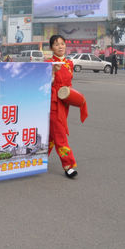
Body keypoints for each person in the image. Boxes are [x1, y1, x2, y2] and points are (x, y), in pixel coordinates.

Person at [47, 34, 79, 179]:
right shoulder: (48, 63)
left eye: (62, 44)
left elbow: (69, 83)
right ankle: (68, 165)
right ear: (51, 48)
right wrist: (53, 73)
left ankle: (37, 159)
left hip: (64, 102)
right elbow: (44, 84)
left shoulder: (69, 63)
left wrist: (72, 96)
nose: (60, 46)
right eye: (56, 44)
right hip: (53, 102)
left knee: (51, 135)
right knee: (59, 134)